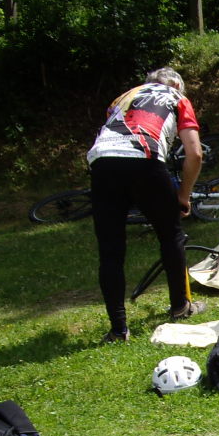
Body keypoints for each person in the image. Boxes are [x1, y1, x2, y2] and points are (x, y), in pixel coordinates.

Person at [86, 67, 205, 342]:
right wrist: (183, 196)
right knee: (170, 235)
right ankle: (180, 307)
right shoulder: (177, 97)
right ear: (177, 85)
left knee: (110, 250)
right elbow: (195, 153)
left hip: (102, 162)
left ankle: (118, 329)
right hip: (145, 158)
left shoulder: (122, 97)